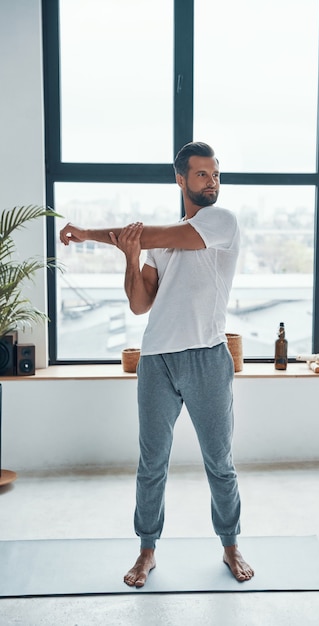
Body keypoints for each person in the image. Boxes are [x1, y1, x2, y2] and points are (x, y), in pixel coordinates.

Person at [59, 141, 254, 586]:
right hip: (157, 362)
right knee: (152, 463)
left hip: (206, 358)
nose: (212, 182)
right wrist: (130, 256)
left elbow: (150, 235)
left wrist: (86, 233)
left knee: (219, 462)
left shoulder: (220, 223)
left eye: (216, 174)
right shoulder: (160, 244)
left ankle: (231, 545)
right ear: (180, 179)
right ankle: (146, 550)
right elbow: (139, 304)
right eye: (202, 175)